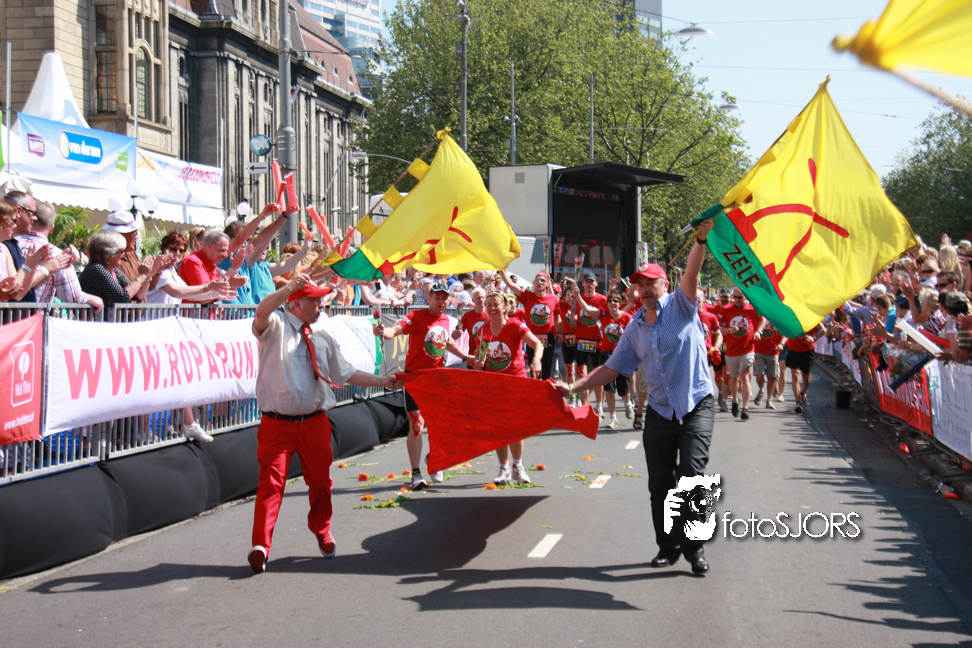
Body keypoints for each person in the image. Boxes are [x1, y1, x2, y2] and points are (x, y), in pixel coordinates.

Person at [555, 220, 716, 575]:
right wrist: (574, 388)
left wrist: (701, 239)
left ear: (665, 285)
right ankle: (668, 547)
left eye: (650, 283)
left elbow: (691, 272)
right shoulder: (634, 327)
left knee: (691, 476)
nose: (644, 289)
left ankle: (695, 548)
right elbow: (612, 367)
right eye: (639, 285)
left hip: (695, 405)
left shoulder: (683, 305)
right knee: (660, 484)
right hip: (659, 410)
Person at [248, 273, 402, 573]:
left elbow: (346, 373)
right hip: (277, 424)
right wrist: (289, 287)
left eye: (321, 301)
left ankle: (322, 530)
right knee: (270, 484)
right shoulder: (275, 326)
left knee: (320, 484)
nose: (321, 305)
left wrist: (382, 381)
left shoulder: (322, 335)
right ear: (296, 303)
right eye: (315, 300)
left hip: (315, 423)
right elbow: (262, 311)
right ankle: (260, 547)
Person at [374, 281, 472, 489]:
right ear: (429, 299)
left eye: (444, 298)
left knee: (439, 425)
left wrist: (467, 357)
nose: (441, 301)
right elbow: (395, 331)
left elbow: (446, 342)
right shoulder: (416, 317)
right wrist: (383, 331)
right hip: (415, 379)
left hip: (436, 380)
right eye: (437, 298)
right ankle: (416, 473)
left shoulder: (445, 320)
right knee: (417, 425)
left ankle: (434, 460)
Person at [476, 291, 543, 484]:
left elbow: (537, 344)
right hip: (495, 384)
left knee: (515, 426)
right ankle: (503, 468)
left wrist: (536, 360)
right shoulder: (484, 330)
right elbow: (481, 356)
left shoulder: (515, 325)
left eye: (495, 304)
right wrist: (479, 361)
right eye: (489, 305)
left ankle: (518, 466)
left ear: (504, 306)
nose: (492, 308)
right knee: (498, 427)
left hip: (515, 380)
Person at [79, 230, 164, 317]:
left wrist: (148, 276)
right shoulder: (96, 269)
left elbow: (136, 295)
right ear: (109, 254)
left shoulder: (114, 270)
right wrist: (142, 275)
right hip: (92, 323)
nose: (123, 254)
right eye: (121, 251)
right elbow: (123, 297)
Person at [499, 268, 560, 379]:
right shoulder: (528, 296)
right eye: (537, 280)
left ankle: (545, 389)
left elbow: (557, 317)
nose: (539, 282)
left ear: (547, 284)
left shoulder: (553, 299)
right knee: (534, 371)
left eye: (542, 280)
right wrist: (501, 269)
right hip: (532, 337)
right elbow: (510, 284)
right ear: (534, 283)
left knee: (547, 371)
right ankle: (535, 389)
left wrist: (559, 333)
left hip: (548, 337)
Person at [718, 289, 764, 421]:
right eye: (735, 297)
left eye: (740, 297)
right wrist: (729, 330)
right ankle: (735, 401)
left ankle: (745, 408)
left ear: (745, 297)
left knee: (744, 377)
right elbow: (719, 327)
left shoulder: (752, 309)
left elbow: (762, 320)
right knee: (733, 378)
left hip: (747, 349)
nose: (737, 300)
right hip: (731, 350)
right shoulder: (726, 309)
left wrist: (758, 332)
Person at [598, 289, 633, 429]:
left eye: (616, 301)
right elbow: (588, 309)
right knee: (609, 387)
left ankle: (628, 403)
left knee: (623, 388)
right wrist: (577, 296)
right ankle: (613, 417)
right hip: (606, 354)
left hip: (622, 355)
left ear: (620, 303)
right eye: (610, 301)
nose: (613, 303)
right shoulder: (604, 316)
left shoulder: (627, 318)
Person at [786, 323, 825, 414]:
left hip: (808, 350)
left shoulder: (810, 317)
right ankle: (798, 402)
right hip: (793, 349)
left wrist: (814, 338)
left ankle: (803, 393)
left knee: (806, 377)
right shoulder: (791, 317)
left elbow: (823, 330)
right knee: (795, 375)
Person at [752, 321, 785, 410]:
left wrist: (781, 343)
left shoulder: (778, 318)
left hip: (773, 351)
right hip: (759, 350)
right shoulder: (759, 317)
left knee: (772, 377)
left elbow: (785, 332)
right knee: (760, 375)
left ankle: (769, 400)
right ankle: (761, 390)